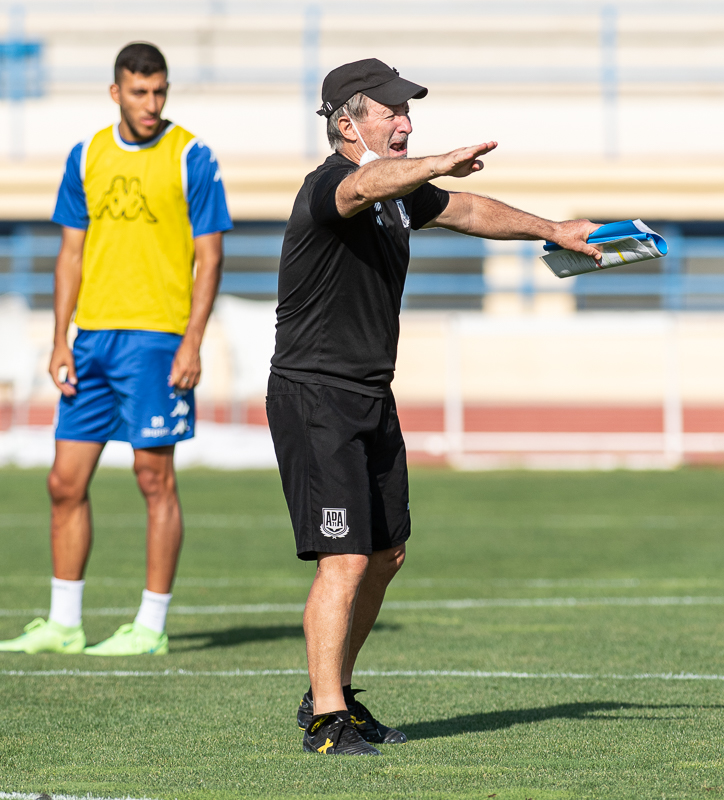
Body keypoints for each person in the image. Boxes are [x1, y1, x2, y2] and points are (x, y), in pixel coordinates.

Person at [268, 58, 606, 755]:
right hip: (315, 395)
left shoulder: (398, 193)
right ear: (345, 121)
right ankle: (327, 723)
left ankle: (333, 691)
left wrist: (553, 230)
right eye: (390, 112)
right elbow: (365, 182)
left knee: (386, 554)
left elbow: (469, 209)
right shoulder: (332, 184)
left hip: (368, 392)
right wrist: (435, 162)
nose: (404, 122)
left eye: (406, 112)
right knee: (345, 561)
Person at [0, 42, 231, 657]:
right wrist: (58, 339)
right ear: (116, 92)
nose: (151, 104)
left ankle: (149, 627)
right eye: (139, 91)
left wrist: (192, 341)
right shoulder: (87, 154)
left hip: (156, 341)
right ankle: (64, 623)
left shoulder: (192, 156)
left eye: (160, 91)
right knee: (63, 482)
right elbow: (69, 253)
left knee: (154, 477)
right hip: (91, 340)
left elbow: (210, 257)